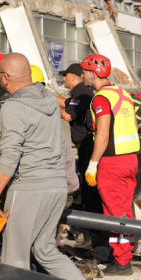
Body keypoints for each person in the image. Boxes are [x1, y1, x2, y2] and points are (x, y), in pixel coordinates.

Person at [0, 54, 106, 280]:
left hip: (29, 188)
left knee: (14, 258)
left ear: (6, 78)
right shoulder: (49, 99)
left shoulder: (13, 108)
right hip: (55, 187)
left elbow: (8, 158)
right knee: (46, 251)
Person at [82, 54, 140, 276]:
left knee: (114, 213)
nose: (84, 75)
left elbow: (103, 134)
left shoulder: (100, 98)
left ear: (93, 73)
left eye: (86, 71)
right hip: (130, 160)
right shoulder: (122, 94)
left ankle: (123, 262)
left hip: (112, 162)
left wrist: (92, 165)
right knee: (124, 209)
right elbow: (134, 125)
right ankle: (126, 250)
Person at [56, 62, 98, 213]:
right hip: (85, 145)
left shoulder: (82, 94)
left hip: (88, 145)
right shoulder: (80, 93)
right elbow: (66, 103)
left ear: (73, 77)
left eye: (65, 76)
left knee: (89, 188)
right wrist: (50, 97)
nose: (63, 79)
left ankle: (94, 224)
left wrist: (50, 104)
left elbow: (68, 115)